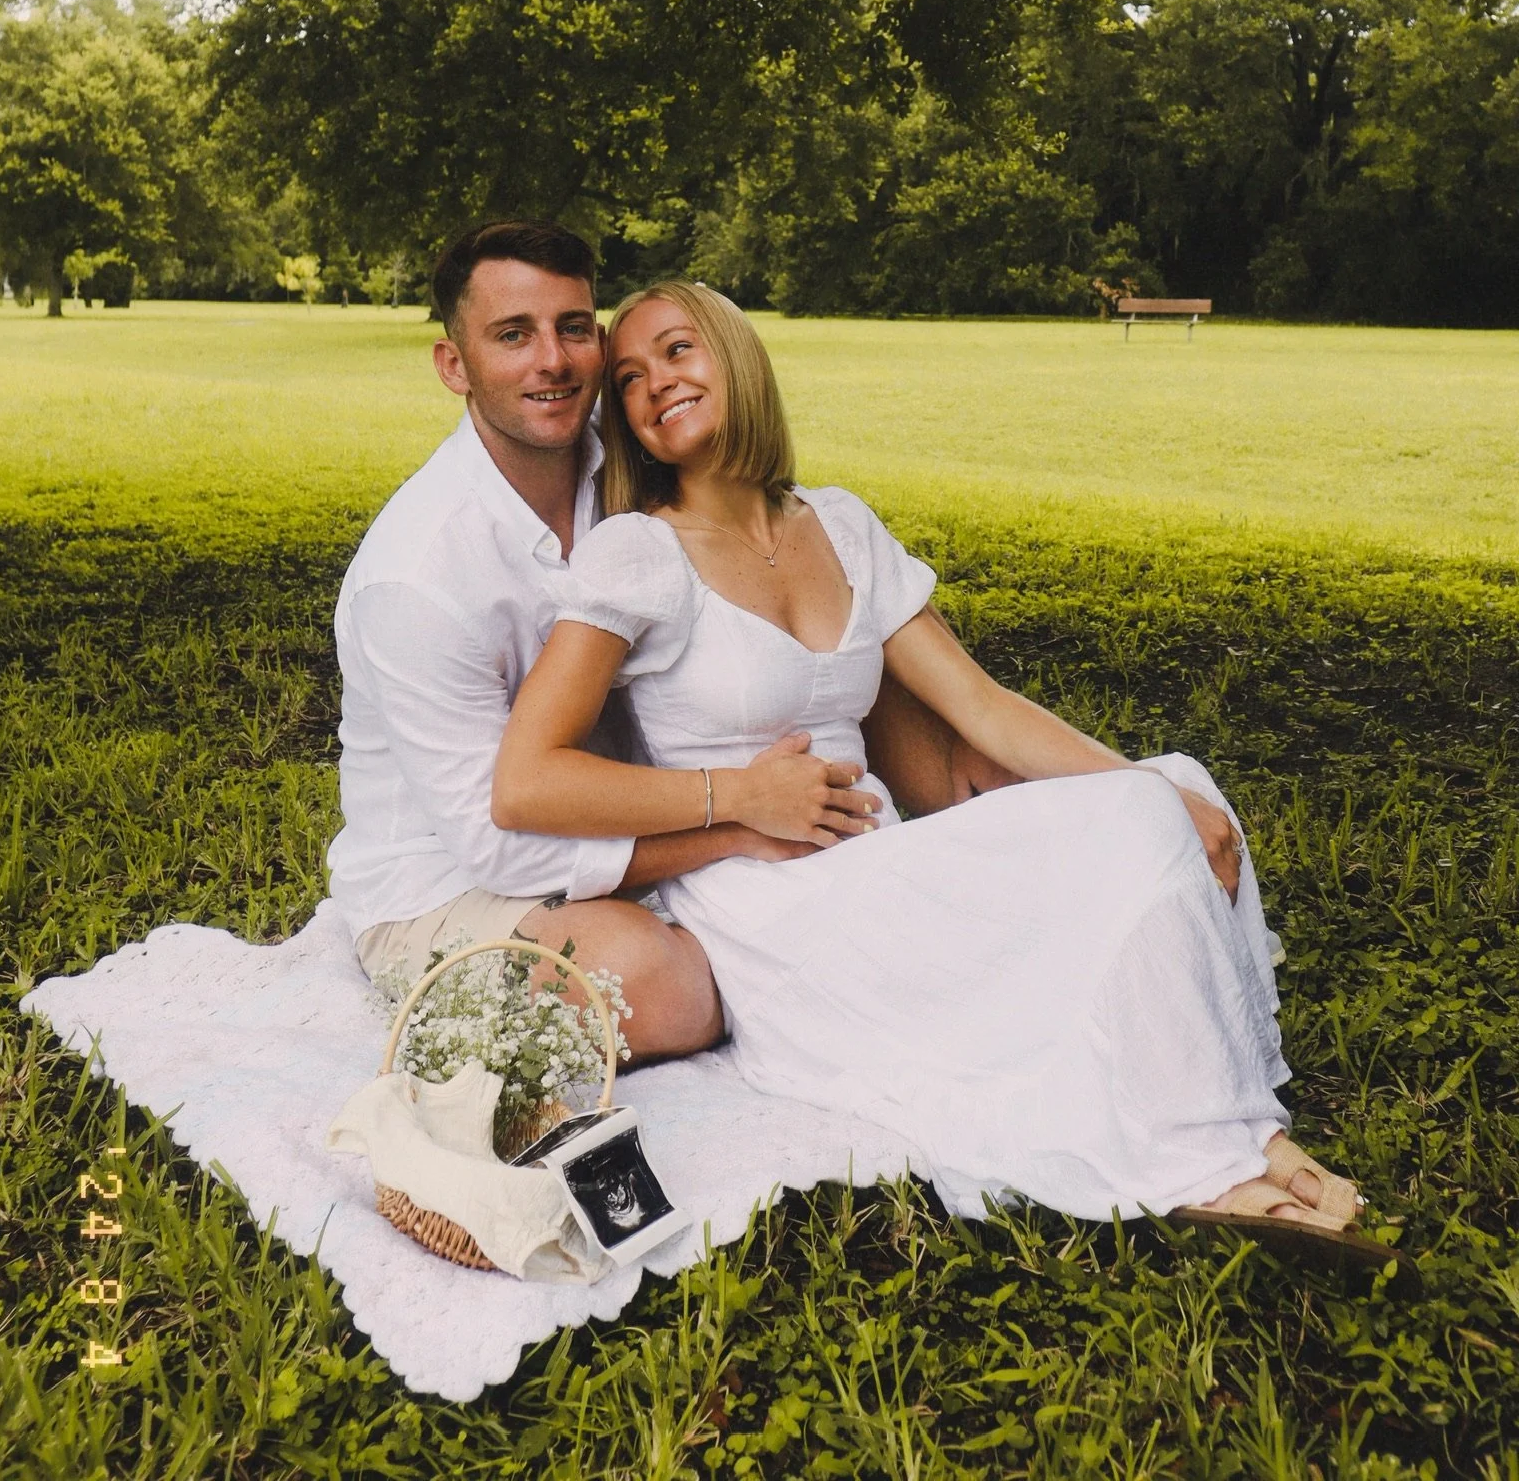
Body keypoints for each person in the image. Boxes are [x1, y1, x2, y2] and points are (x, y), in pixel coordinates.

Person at [494, 279, 1365, 1235]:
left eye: (678, 350)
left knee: (1179, 786)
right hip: (770, 904)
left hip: (883, 862)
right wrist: (739, 796)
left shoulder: (841, 527)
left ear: (738, 358)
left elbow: (980, 707)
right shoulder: (637, 553)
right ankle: (1213, 1156)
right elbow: (526, 780)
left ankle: (1235, 1118)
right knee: (1140, 818)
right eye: (627, 378)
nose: (655, 382)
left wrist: (1149, 788)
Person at [326, 221, 985, 1062]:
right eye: (512, 336)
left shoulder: (632, 472)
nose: (552, 362)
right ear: (453, 364)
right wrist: (741, 818)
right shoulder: (417, 576)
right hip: (447, 886)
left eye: (573, 329)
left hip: (645, 824)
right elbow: (497, 838)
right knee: (669, 985)